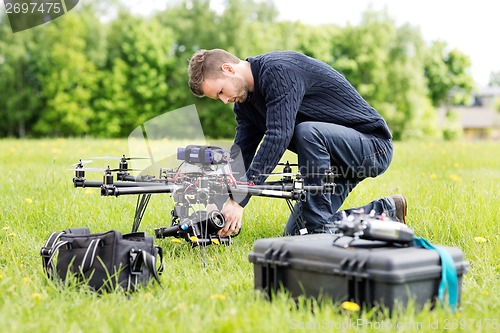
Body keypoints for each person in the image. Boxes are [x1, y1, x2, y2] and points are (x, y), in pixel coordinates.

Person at [188, 49, 407, 237]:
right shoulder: (245, 105)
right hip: (332, 164)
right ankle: (387, 211)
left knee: (308, 132)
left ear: (228, 69)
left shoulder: (278, 71)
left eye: (221, 91)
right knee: (299, 234)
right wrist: (221, 200)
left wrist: (239, 200)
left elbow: (278, 136)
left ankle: (319, 227)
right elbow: (242, 154)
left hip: (371, 146)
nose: (225, 100)